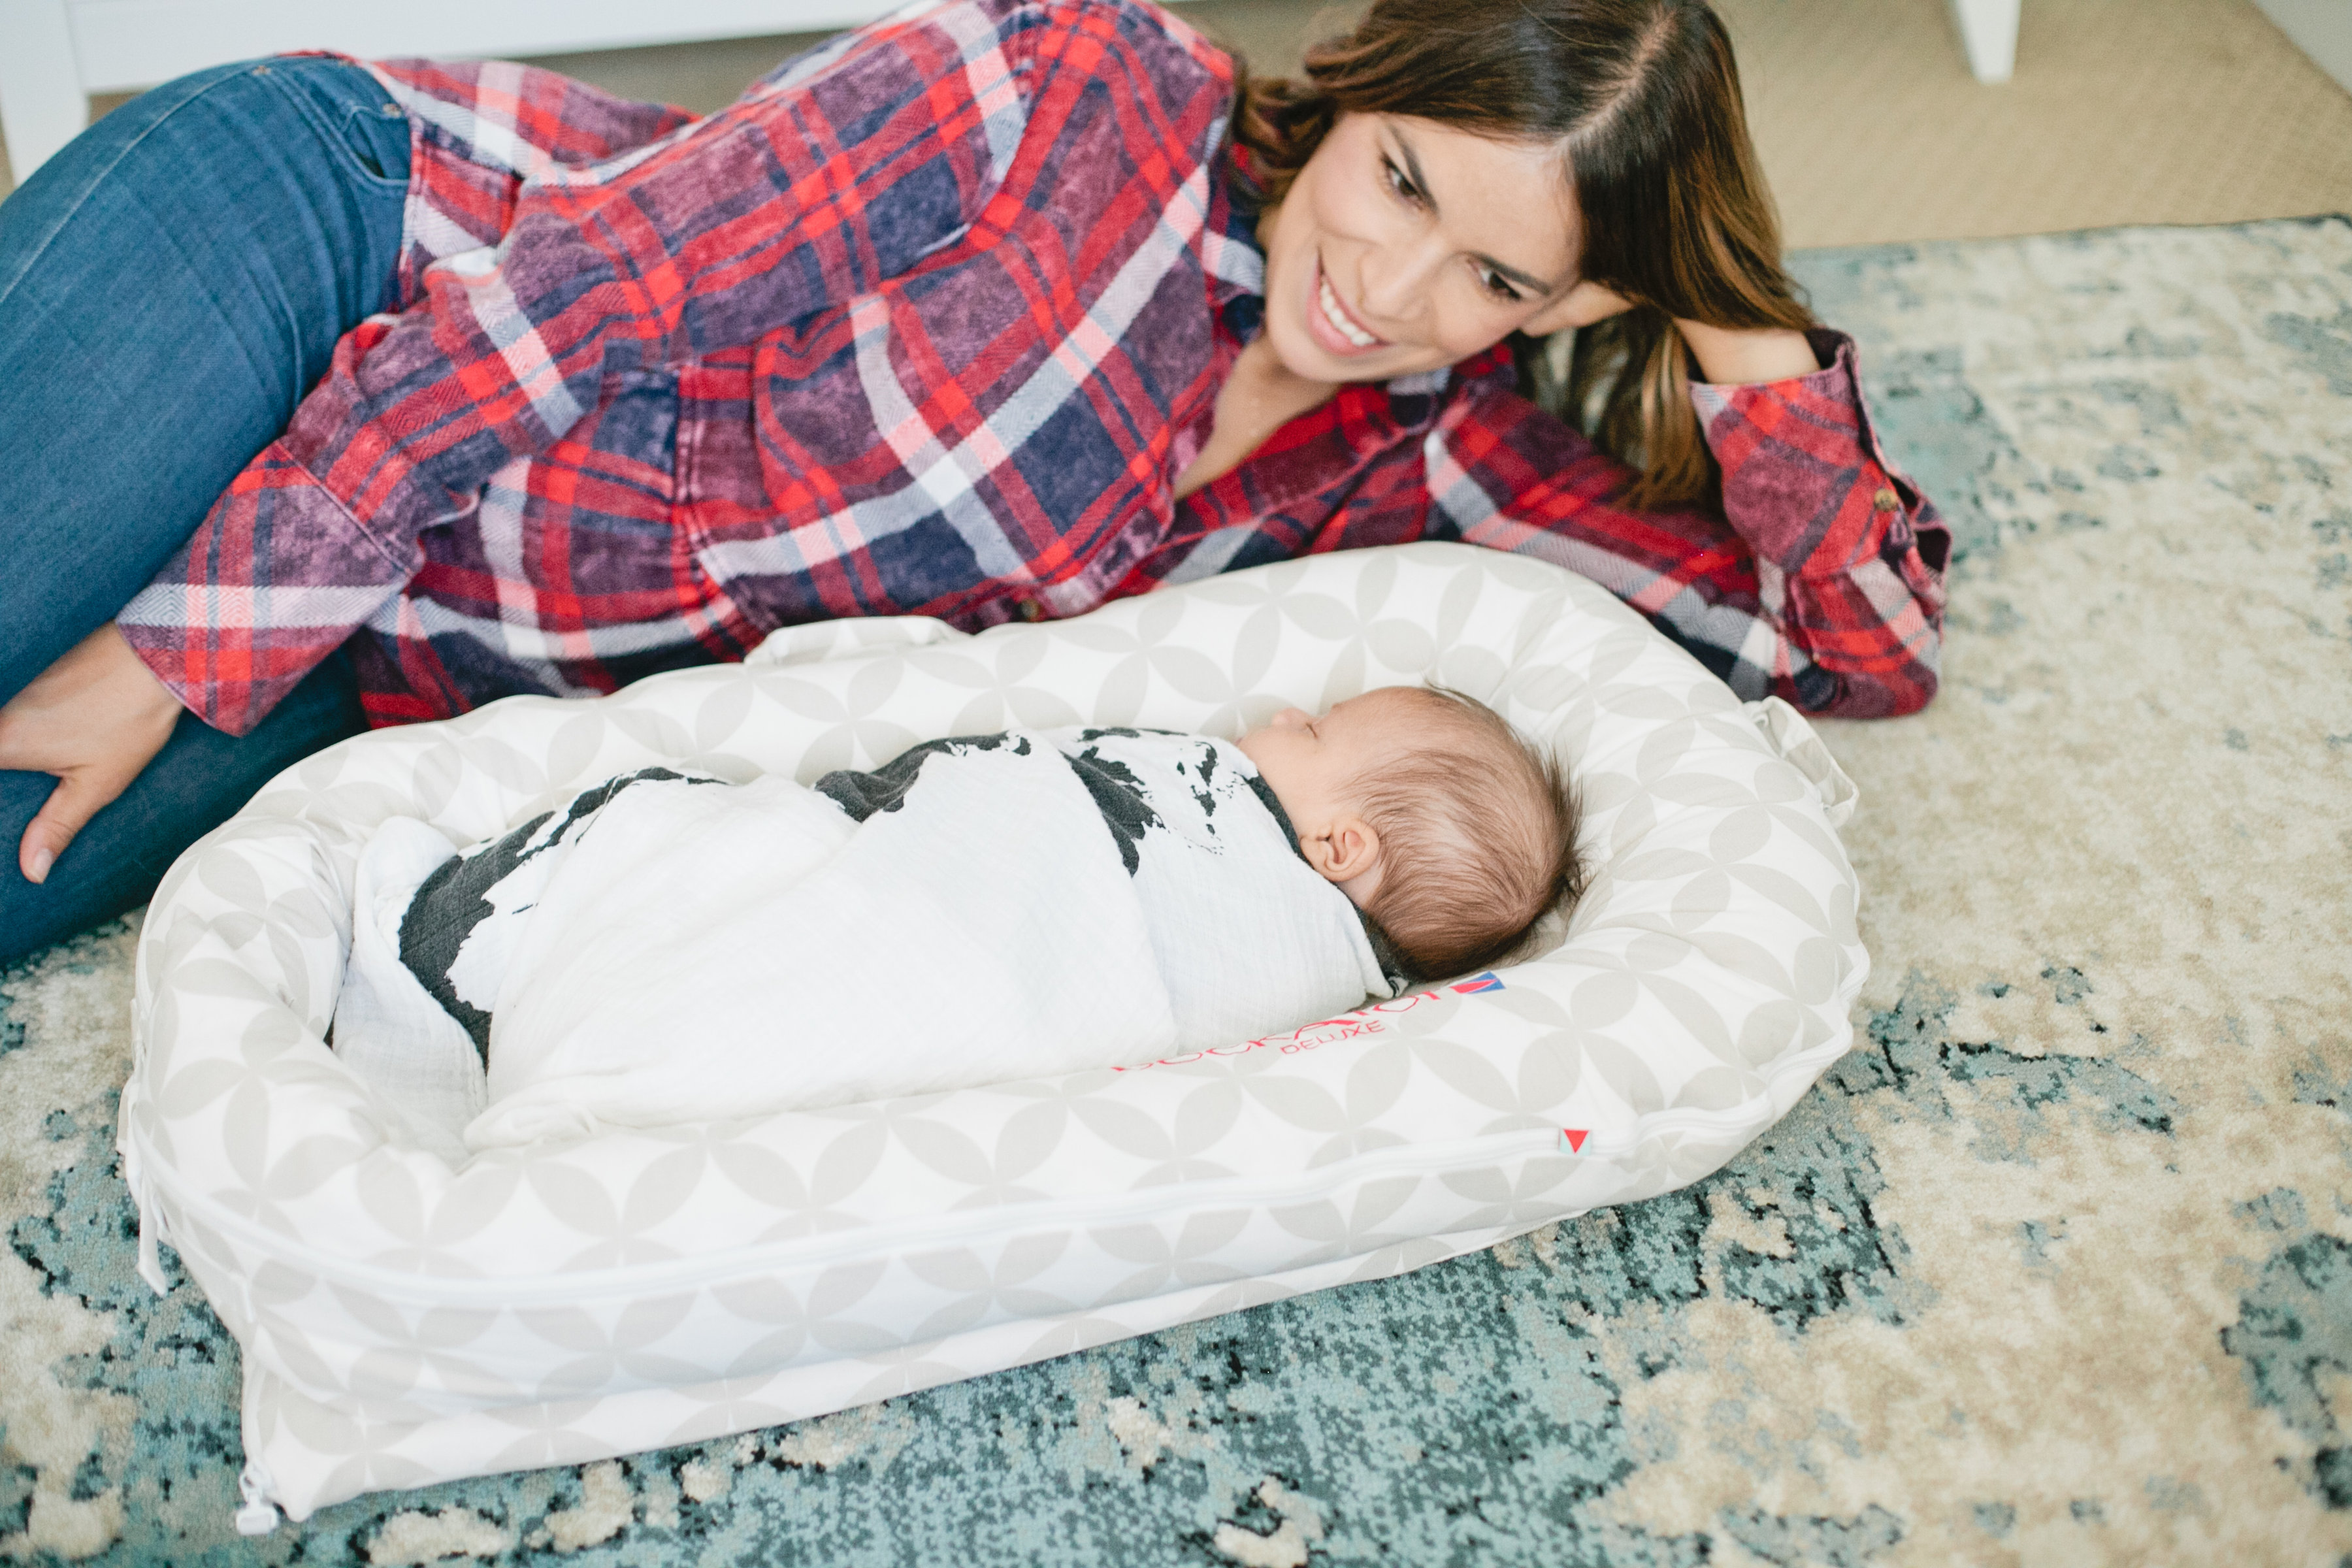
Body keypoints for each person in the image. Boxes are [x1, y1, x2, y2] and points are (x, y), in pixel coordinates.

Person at [0, 0, 1950, 968]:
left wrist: (1734, 324)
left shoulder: (1436, 473)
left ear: (1579, 300)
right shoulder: (1084, 87)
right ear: (1363, 79)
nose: (1390, 287)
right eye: (1401, 180)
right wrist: (192, 643)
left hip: (406, 667)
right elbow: (586, 295)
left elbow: (1849, 653)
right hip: (338, 270)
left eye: (1500, 280)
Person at [329, 685, 1581, 1152]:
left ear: (1339, 849)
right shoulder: (1329, 1005)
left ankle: (535, 1031)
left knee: (714, 857)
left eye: (1316, 729)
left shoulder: (1249, 890)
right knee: (767, 873)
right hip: (961, 905)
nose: (1283, 716)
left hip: (962, 952)